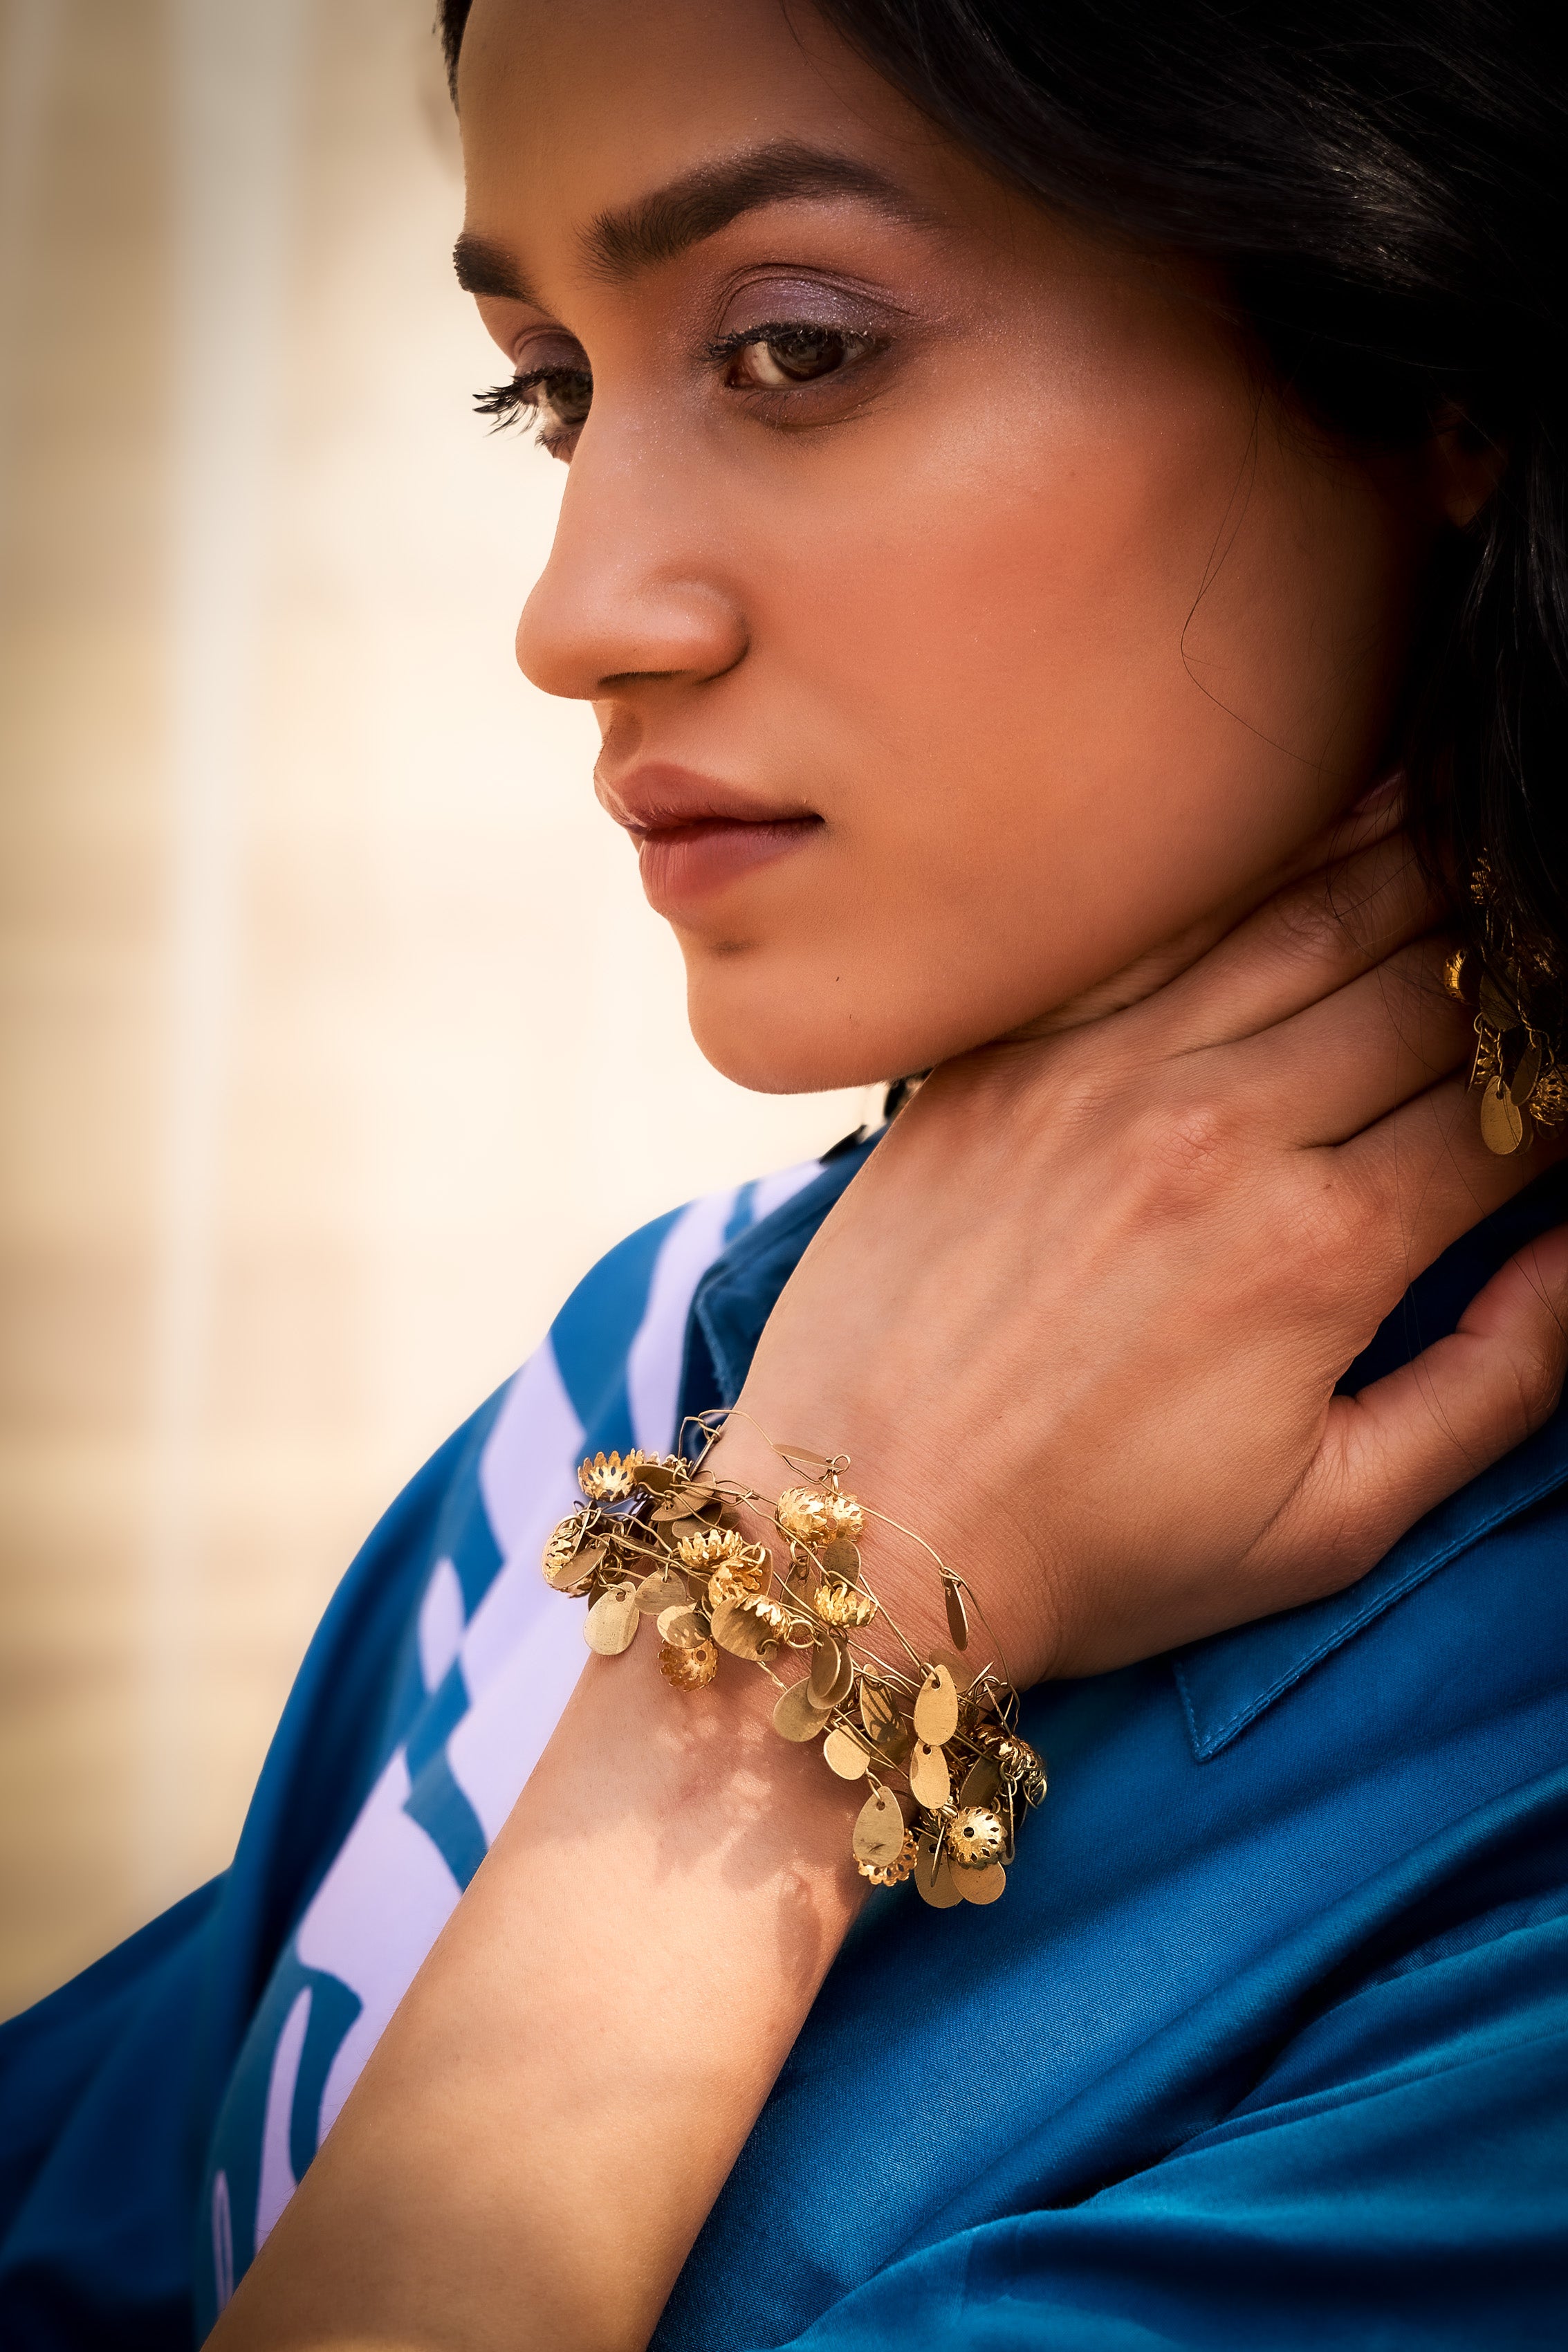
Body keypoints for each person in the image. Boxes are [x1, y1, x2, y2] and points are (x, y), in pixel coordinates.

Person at [4, 0, 1567, 2343]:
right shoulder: (674, 1369)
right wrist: (801, 1564)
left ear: (1431, 350)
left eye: (797, 349)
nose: (574, 620)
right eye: (549, 391)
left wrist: (761, 1668)